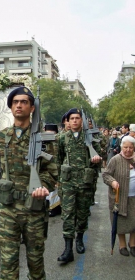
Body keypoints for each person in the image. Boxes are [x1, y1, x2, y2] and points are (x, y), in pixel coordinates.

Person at [0, 86, 58, 279]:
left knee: (35, 263)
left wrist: (43, 187)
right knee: (8, 265)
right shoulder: (1, 137)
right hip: (8, 209)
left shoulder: (45, 139)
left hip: (34, 209)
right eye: (15, 102)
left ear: (32, 108)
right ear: (11, 107)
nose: (19, 105)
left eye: (24, 102)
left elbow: (52, 171)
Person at [56, 108, 102, 263]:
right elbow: (58, 159)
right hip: (68, 182)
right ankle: (68, 249)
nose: (75, 121)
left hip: (84, 183)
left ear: (82, 121)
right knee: (68, 215)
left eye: (77, 118)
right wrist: (58, 179)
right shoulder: (63, 138)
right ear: (68, 121)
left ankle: (79, 238)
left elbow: (99, 158)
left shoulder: (90, 138)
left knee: (82, 214)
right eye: (72, 118)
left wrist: (96, 160)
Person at [102, 136, 135, 257]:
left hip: (134, 197)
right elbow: (105, 174)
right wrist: (112, 182)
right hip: (119, 197)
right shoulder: (115, 159)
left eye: (131, 147)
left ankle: (133, 244)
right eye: (125, 147)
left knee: (134, 221)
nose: (128, 150)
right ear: (121, 147)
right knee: (120, 221)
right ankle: (122, 245)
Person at [44, 123, 61, 217]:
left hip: (57, 168)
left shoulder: (59, 142)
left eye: (51, 133)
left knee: (56, 190)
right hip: (46, 169)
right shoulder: (42, 143)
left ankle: (55, 208)